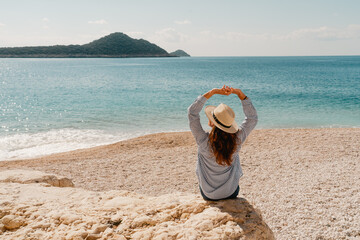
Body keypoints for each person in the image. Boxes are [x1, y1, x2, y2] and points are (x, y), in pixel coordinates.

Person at [188, 85, 258, 201]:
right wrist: (240, 94)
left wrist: (213, 92)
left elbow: (192, 113)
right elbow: (252, 118)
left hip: (208, 195)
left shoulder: (203, 141)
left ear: (212, 122)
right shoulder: (237, 139)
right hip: (231, 193)